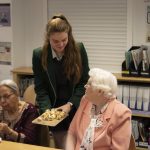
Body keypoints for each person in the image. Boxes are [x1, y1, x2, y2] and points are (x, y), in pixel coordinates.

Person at [32, 14, 89, 148]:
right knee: (62, 145)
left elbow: (84, 82)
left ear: (68, 34)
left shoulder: (79, 49)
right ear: (48, 38)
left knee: (80, 145)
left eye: (64, 39)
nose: (61, 44)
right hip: (54, 110)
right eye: (55, 41)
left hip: (76, 106)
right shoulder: (39, 54)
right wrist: (46, 110)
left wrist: (70, 105)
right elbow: (41, 88)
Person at [65, 68, 132, 150]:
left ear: (100, 91)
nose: (85, 86)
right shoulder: (85, 100)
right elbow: (72, 132)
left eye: (89, 84)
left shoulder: (121, 113)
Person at [0, 79, 39, 145]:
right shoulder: (1, 111)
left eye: (6, 96)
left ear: (17, 93)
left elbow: (29, 141)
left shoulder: (29, 111)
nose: (2, 101)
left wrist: (9, 132)